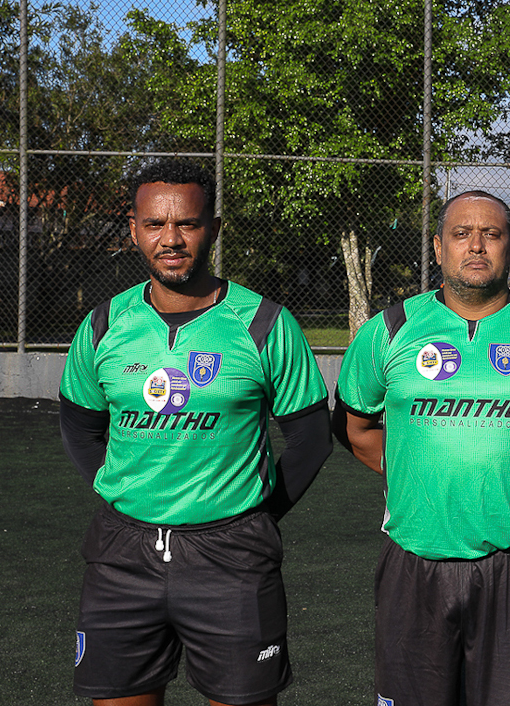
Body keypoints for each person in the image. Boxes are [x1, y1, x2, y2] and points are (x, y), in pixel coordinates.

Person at [59, 158, 332, 706]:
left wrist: (255, 513)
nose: (171, 238)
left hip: (232, 556)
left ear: (213, 228)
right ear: (134, 230)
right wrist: (118, 490)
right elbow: (79, 424)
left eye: (187, 223)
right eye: (156, 224)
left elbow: (311, 439)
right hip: (122, 555)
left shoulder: (266, 324)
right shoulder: (104, 325)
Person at [334, 190, 510, 706]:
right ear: (437, 247)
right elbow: (353, 426)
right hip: (414, 563)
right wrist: (408, 468)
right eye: (461, 234)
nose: (476, 245)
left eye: (492, 234)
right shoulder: (390, 329)